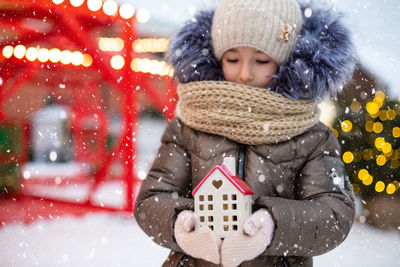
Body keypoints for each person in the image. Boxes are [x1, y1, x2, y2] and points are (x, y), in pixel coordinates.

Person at [134, 0, 356, 266]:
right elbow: (151, 199)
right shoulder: (187, 127)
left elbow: (334, 214)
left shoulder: (312, 137)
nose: (244, 73)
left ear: (286, 61)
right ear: (217, 57)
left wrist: (271, 226)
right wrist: (183, 224)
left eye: (261, 60)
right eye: (232, 58)